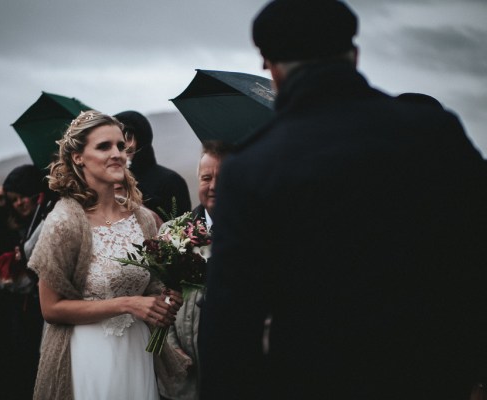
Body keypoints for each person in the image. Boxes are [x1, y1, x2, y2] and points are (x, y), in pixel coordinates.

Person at [198, 1, 487, 400]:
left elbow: (232, 319)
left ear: (271, 66)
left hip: (314, 380)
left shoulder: (254, 166)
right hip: (432, 377)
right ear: (354, 56)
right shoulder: (434, 132)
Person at [28, 110, 185, 399]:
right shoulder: (65, 223)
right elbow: (51, 309)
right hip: (90, 352)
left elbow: (152, 287)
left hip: (137, 350)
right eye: (104, 146)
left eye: (121, 146)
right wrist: (127, 304)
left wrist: (164, 300)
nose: (117, 154)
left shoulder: (143, 219)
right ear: (78, 157)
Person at [160, 141, 232, 400]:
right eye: (206, 177)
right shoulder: (172, 233)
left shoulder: (253, 234)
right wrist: (169, 347)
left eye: (222, 178)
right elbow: (158, 295)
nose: (213, 186)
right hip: (185, 379)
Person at [0, 164, 53, 400]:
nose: (20, 203)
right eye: (14, 199)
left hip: (44, 310)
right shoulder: (11, 224)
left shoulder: (49, 220)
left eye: (24, 196)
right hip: (20, 314)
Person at [114, 110, 191, 221]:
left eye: (128, 137)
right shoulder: (104, 182)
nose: (124, 146)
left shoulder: (171, 181)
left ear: (141, 140)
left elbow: (182, 230)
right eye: (116, 140)